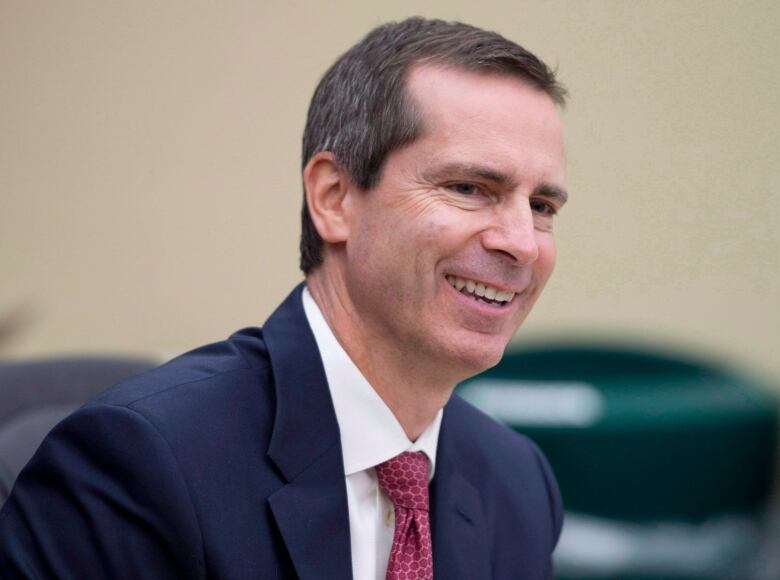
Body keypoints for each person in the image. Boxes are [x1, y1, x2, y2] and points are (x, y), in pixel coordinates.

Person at [0, 17, 567, 580]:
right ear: (334, 198)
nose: (521, 243)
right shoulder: (139, 465)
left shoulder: (517, 483)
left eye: (542, 207)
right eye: (469, 188)